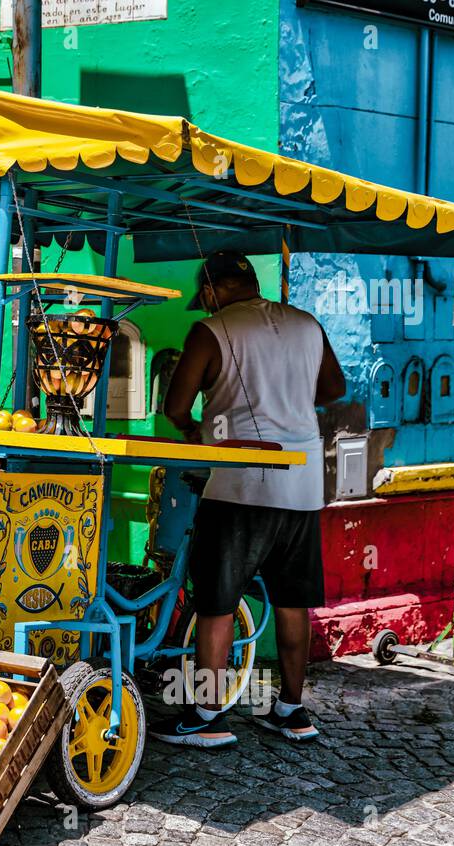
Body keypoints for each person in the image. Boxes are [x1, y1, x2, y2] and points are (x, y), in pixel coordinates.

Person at [152, 251, 346, 748]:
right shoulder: (307, 324)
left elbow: (176, 405)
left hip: (239, 484)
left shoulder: (211, 331)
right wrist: (288, 401)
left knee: (217, 602)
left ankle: (207, 716)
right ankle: (292, 709)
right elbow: (334, 389)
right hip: (301, 484)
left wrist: (198, 428)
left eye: (206, 297)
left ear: (214, 290)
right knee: (292, 600)